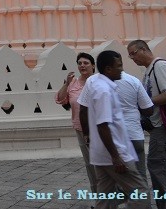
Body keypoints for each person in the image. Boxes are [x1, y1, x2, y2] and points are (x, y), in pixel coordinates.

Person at [78, 51, 149, 208]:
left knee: (105, 199)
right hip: (114, 153)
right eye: (119, 66)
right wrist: (116, 157)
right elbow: (103, 125)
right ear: (108, 69)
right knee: (141, 193)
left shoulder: (97, 84)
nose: (122, 70)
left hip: (101, 154)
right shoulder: (104, 90)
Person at [127, 40, 166, 209]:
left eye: (133, 53)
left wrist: (146, 103)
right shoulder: (149, 70)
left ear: (143, 49)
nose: (132, 58)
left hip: (163, 127)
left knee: (159, 168)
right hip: (160, 126)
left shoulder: (160, 66)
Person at [55, 52, 97, 193]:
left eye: (86, 63)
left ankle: (113, 193)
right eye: (79, 63)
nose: (82, 66)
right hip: (81, 128)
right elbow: (60, 99)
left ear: (93, 65)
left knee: (105, 162)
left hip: (100, 127)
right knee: (90, 163)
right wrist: (66, 83)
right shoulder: (73, 83)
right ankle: (97, 194)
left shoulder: (99, 81)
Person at [114, 71, 154, 182]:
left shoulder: (97, 83)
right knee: (140, 176)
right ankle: (141, 198)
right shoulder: (133, 80)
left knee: (120, 180)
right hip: (135, 134)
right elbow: (148, 109)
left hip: (115, 137)